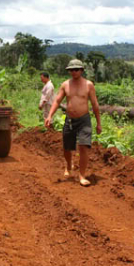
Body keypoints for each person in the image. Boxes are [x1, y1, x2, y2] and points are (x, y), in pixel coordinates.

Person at [45, 59, 101, 187]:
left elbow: (95, 105)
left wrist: (99, 123)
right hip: (70, 120)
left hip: (84, 120)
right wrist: (49, 116)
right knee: (67, 148)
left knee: (84, 146)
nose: (74, 72)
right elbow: (57, 101)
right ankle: (69, 165)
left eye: (76, 69)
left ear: (81, 70)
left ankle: (82, 175)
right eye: (71, 70)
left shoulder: (88, 85)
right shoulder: (65, 85)